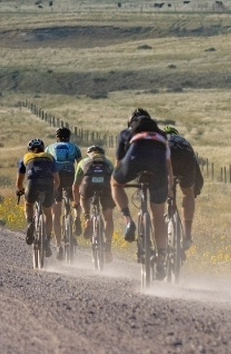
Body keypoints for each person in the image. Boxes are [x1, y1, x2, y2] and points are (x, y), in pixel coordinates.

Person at [111, 111, 173, 276]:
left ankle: (128, 220)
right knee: (158, 217)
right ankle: (161, 259)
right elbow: (168, 167)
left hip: (135, 157)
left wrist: (126, 176)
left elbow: (118, 165)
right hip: (158, 164)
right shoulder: (161, 135)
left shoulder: (126, 133)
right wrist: (170, 187)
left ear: (131, 122)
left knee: (115, 184)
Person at [162, 126, 203, 251]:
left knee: (160, 191)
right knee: (187, 193)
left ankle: (162, 222)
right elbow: (198, 175)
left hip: (165, 157)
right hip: (184, 157)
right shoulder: (184, 142)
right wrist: (194, 192)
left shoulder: (161, 142)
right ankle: (187, 236)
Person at [16, 138, 59, 257]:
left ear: (29, 149)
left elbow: (19, 182)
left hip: (32, 183)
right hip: (48, 184)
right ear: (43, 148)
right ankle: (47, 240)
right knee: (48, 214)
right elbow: (57, 181)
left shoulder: (25, 158)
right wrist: (53, 189)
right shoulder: (50, 157)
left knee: (29, 204)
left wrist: (20, 190)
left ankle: (30, 222)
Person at [72, 145, 115, 261]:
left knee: (84, 197)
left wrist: (76, 202)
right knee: (108, 219)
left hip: (88, 185)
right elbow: (115, 181)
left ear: (88, 154)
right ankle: (108, 248)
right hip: (106, 186)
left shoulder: (83, 162)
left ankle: (87, 218)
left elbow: (75, 185)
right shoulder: (109, 162)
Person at [46, 127, 83, 217]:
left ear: (57, 137)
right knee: (73, 198)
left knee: (56, 206)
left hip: (56, 177)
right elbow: (81, 165)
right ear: (69, 137)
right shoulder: (74, 147)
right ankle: (77, 218)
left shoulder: (49, 148)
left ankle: (57, 226)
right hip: (69, 175)